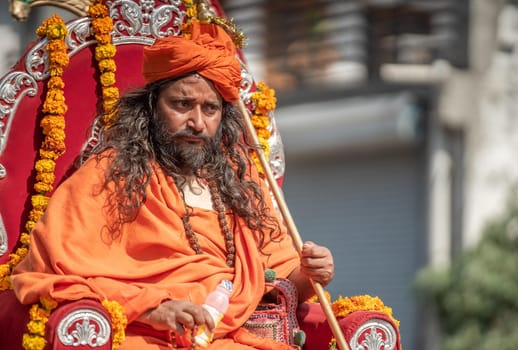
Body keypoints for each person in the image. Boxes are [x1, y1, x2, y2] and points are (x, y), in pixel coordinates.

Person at [10, 22, 334, 350]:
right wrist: (153, 310)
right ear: (150, 108)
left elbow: (278, 283)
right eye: (181, 105)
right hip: (144, 335)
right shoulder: (108, 174)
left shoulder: (240, 180)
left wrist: (311, 273)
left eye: (210, 109)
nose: (197, 122)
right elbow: (51, 273)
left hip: (232, 338)